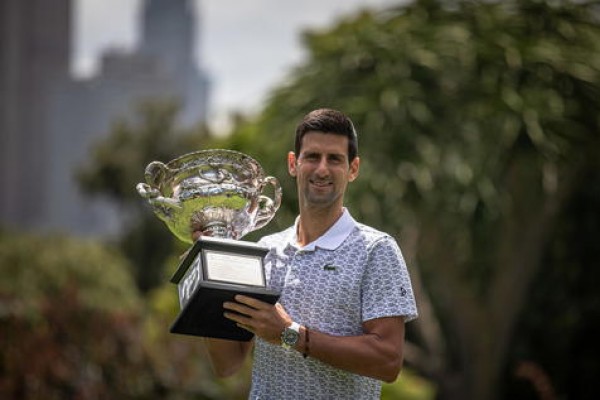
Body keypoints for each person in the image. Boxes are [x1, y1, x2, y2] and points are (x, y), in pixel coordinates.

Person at [197, 108, 418, 399]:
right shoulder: (265, 249)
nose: (322, 169)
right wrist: (208, 270)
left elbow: (388, 361)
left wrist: (291, 334)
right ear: (293, 163)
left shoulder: (376, 250)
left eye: (335, 159)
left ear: (353, 169)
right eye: (312, 157)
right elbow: (227, 364)